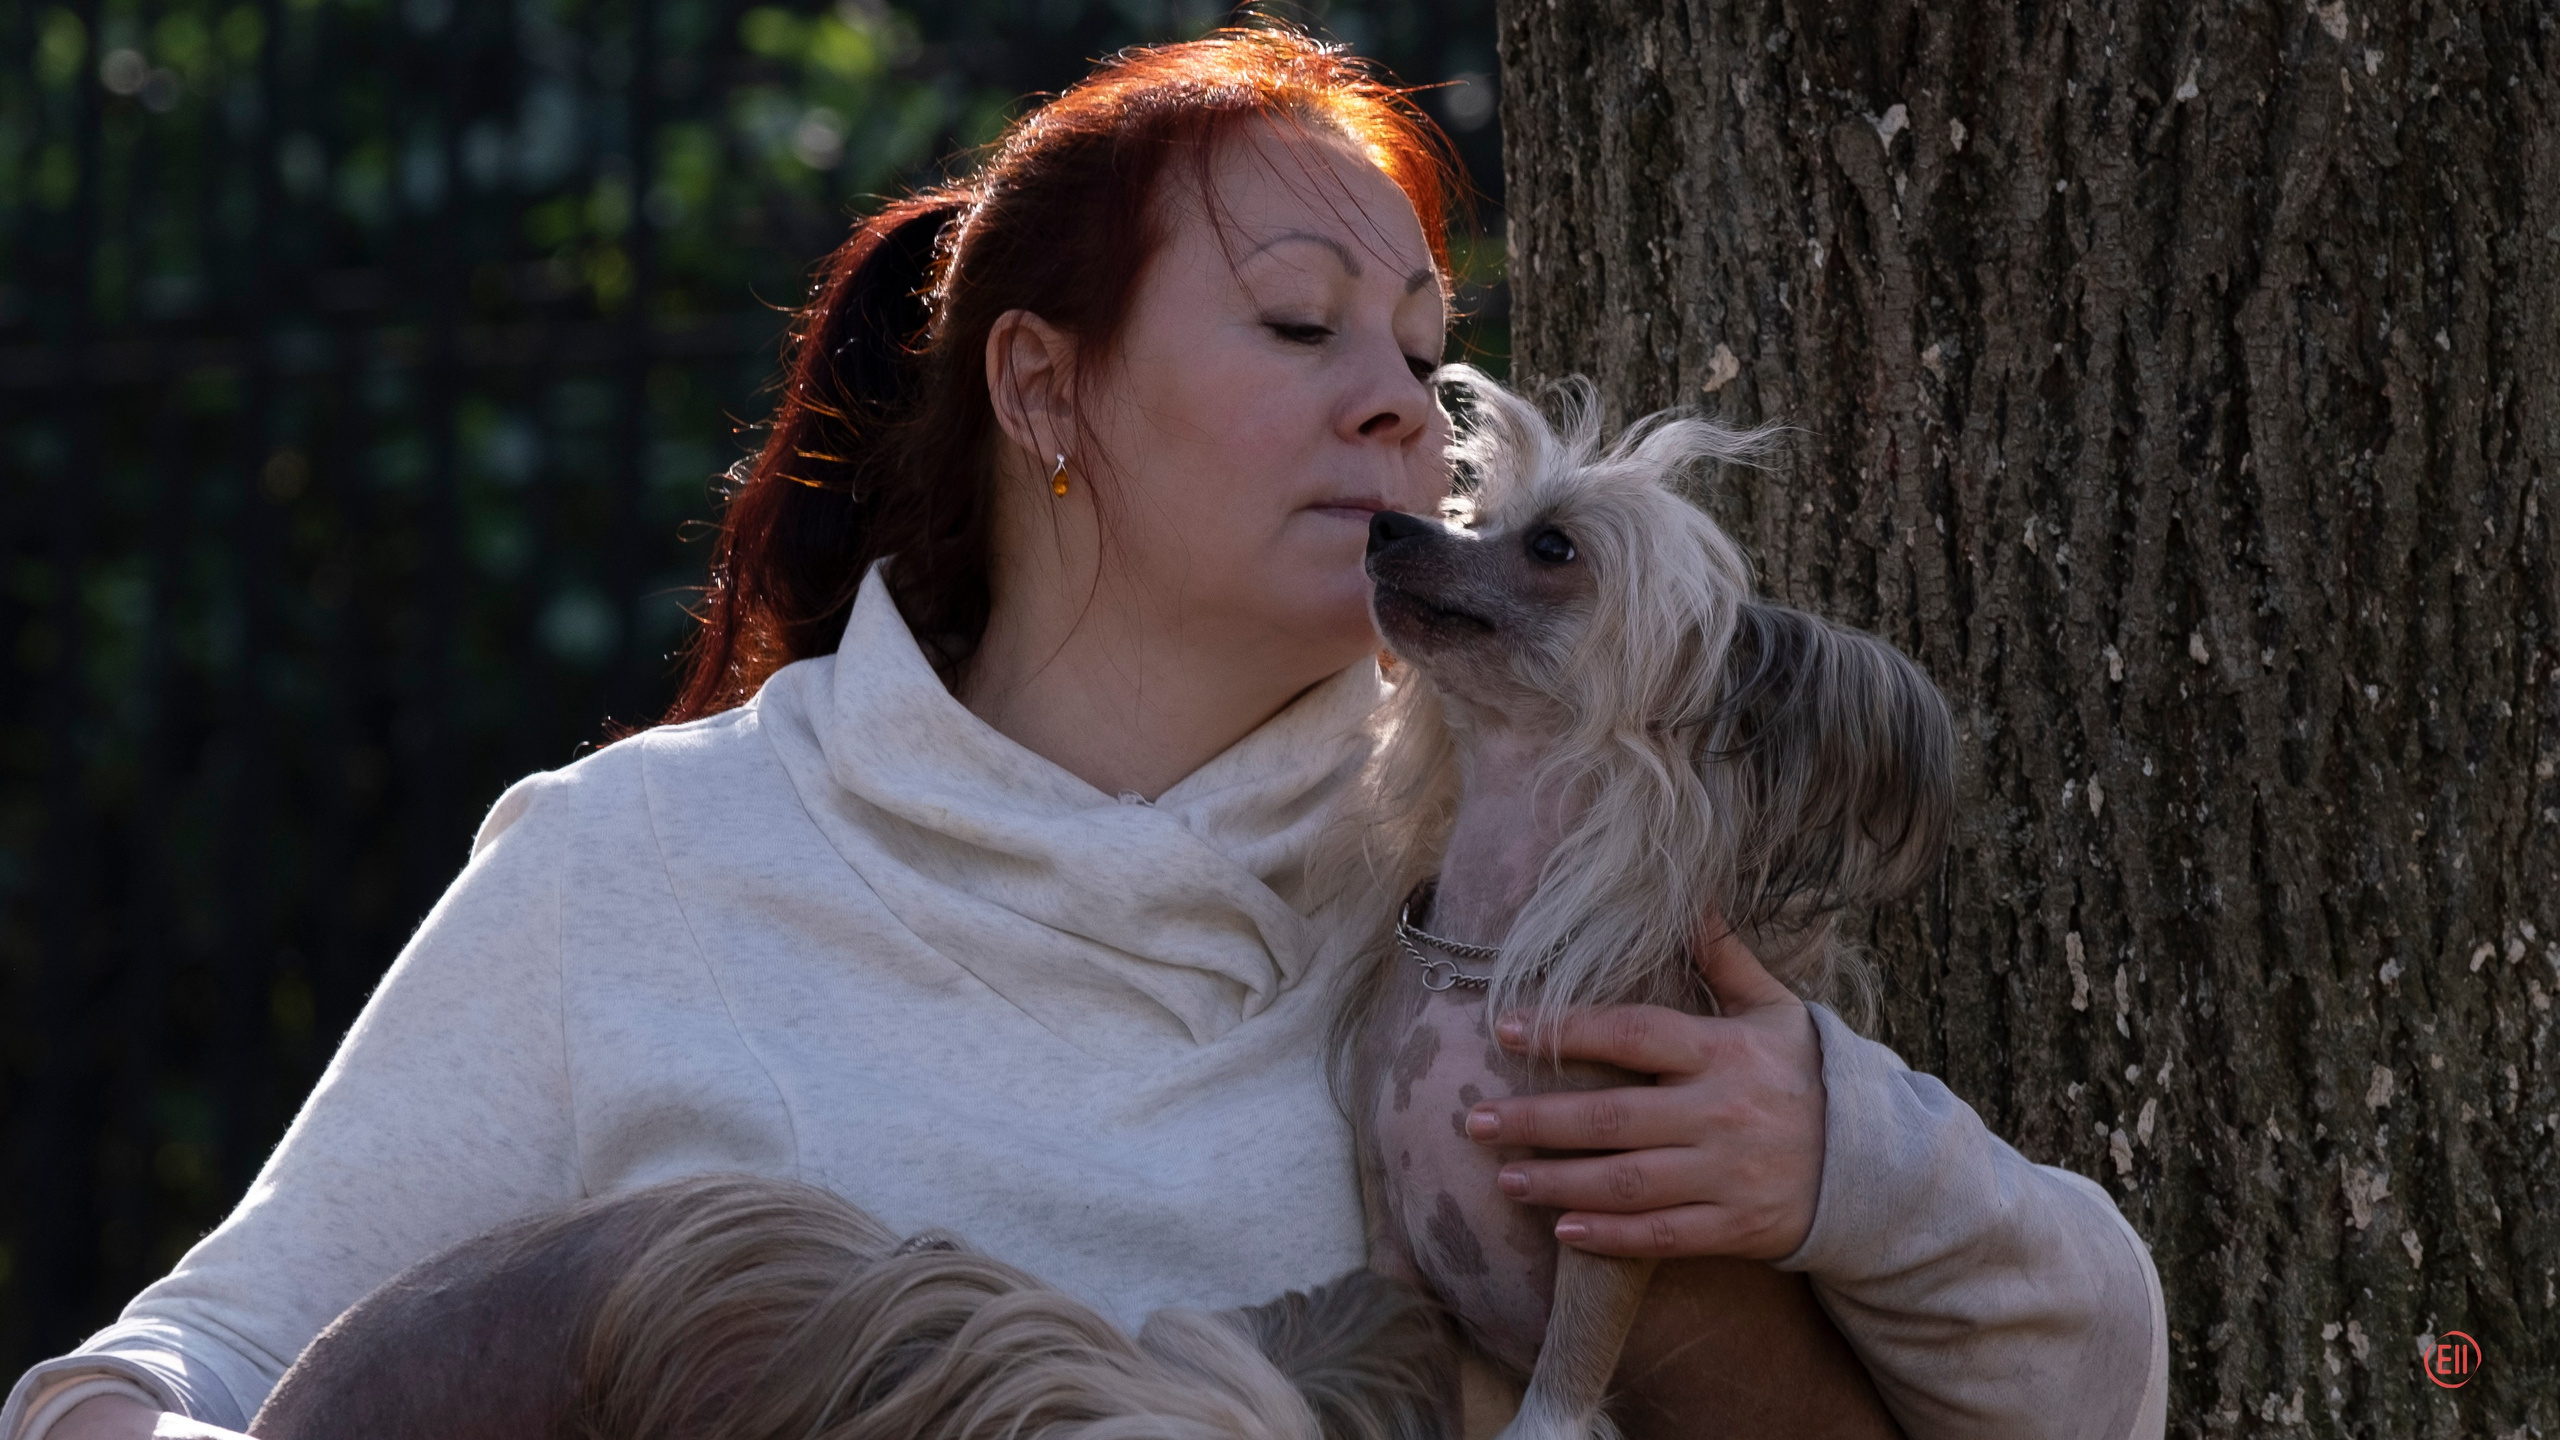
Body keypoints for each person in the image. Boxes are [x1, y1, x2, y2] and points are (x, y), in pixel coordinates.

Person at [5, 27, 2167, 1440]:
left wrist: (1835, 1166)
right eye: (1303, 327)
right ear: (1043, 395)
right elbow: (156, 1379)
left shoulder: (1519, 901)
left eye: (1424, 350)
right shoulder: (637, 869)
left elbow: (2089, 1395)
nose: (1397, 407)